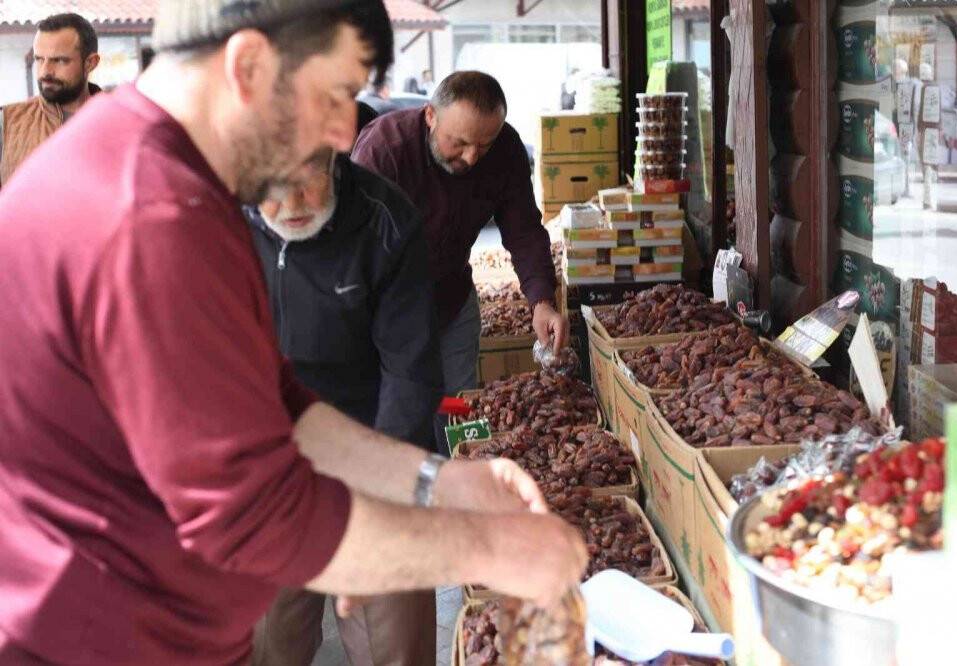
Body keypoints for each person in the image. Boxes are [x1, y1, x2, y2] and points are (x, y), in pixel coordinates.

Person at [0, 2, 588, 664]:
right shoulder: (146, 213)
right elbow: (255, 515)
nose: (344, 134)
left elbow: (275, 401)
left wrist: (436, 482)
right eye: (336, 94)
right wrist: (491, 549)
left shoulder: (169, 172)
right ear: (248, 64)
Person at [246, 148, 444, 666]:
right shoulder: (215, 222)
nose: (291, 203)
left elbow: (409, 371)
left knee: (394, 643)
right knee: (266, 639)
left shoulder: (386, 222)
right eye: (272, 185)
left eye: (306, 178)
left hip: (375, 444)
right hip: (272, 461)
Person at [352, 71, 568, 436]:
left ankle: (460, 476)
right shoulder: (384, 150)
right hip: (387, 312)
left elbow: (525, 231)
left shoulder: (505, 150)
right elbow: (351, 249)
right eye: (459, 143)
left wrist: (542, 301)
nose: (470, 157)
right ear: (430, 117)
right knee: (396, 416)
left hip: (452, 302)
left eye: (483, 146)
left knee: (458, 408)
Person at [0, 13, 100, 187]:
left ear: (90, 63)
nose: (45, 72)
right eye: (39, 59)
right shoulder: (7, 123)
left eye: (60, 60)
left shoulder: (123, 122)